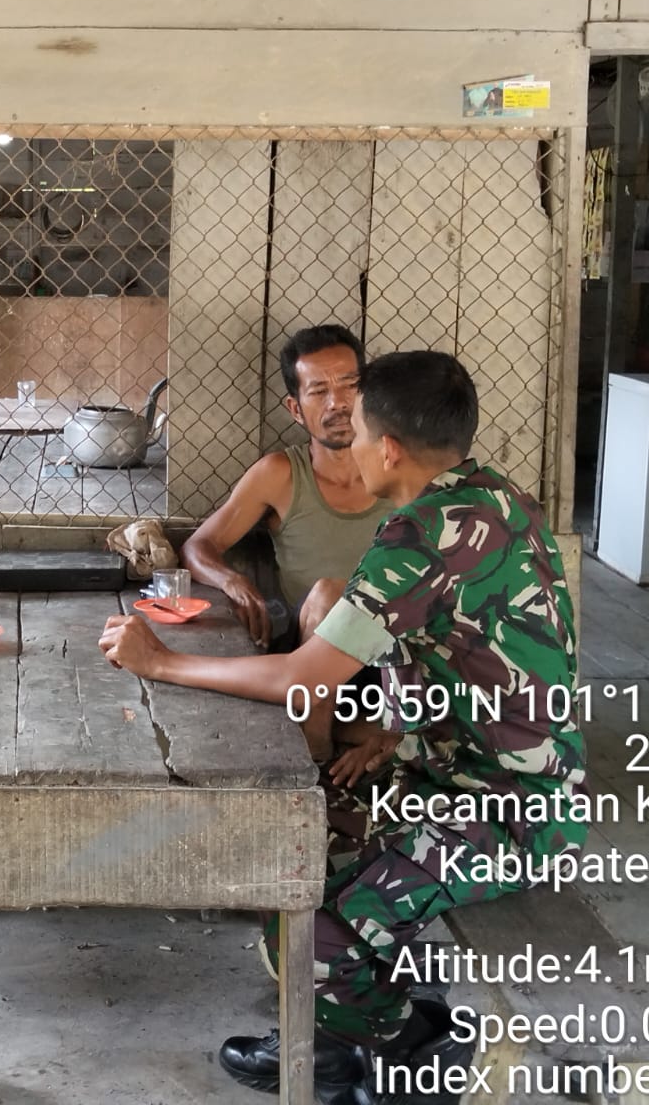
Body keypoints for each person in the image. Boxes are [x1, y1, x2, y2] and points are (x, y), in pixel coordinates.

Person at [100, 351, 584, 1103]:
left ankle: (407, 1051)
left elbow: (303, 678)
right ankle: (329, 1043)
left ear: (387, 449)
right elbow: (461, 649)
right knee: (284, 841)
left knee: (323, 923)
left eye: (355, 428)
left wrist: (160, 662)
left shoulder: (421, 535)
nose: (347, 443)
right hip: (452, 774)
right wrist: (394, 729)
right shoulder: (494, 495)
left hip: (509, 813)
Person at [181, 324, 391, 651]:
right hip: (313, 648)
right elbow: (197, 547)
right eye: (319, 391)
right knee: (328, 596)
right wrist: (232, 582)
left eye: (350, 385)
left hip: (393, 649)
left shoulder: (398, 465)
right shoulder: (280, 475)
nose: (337, 403)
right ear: (296, 409)